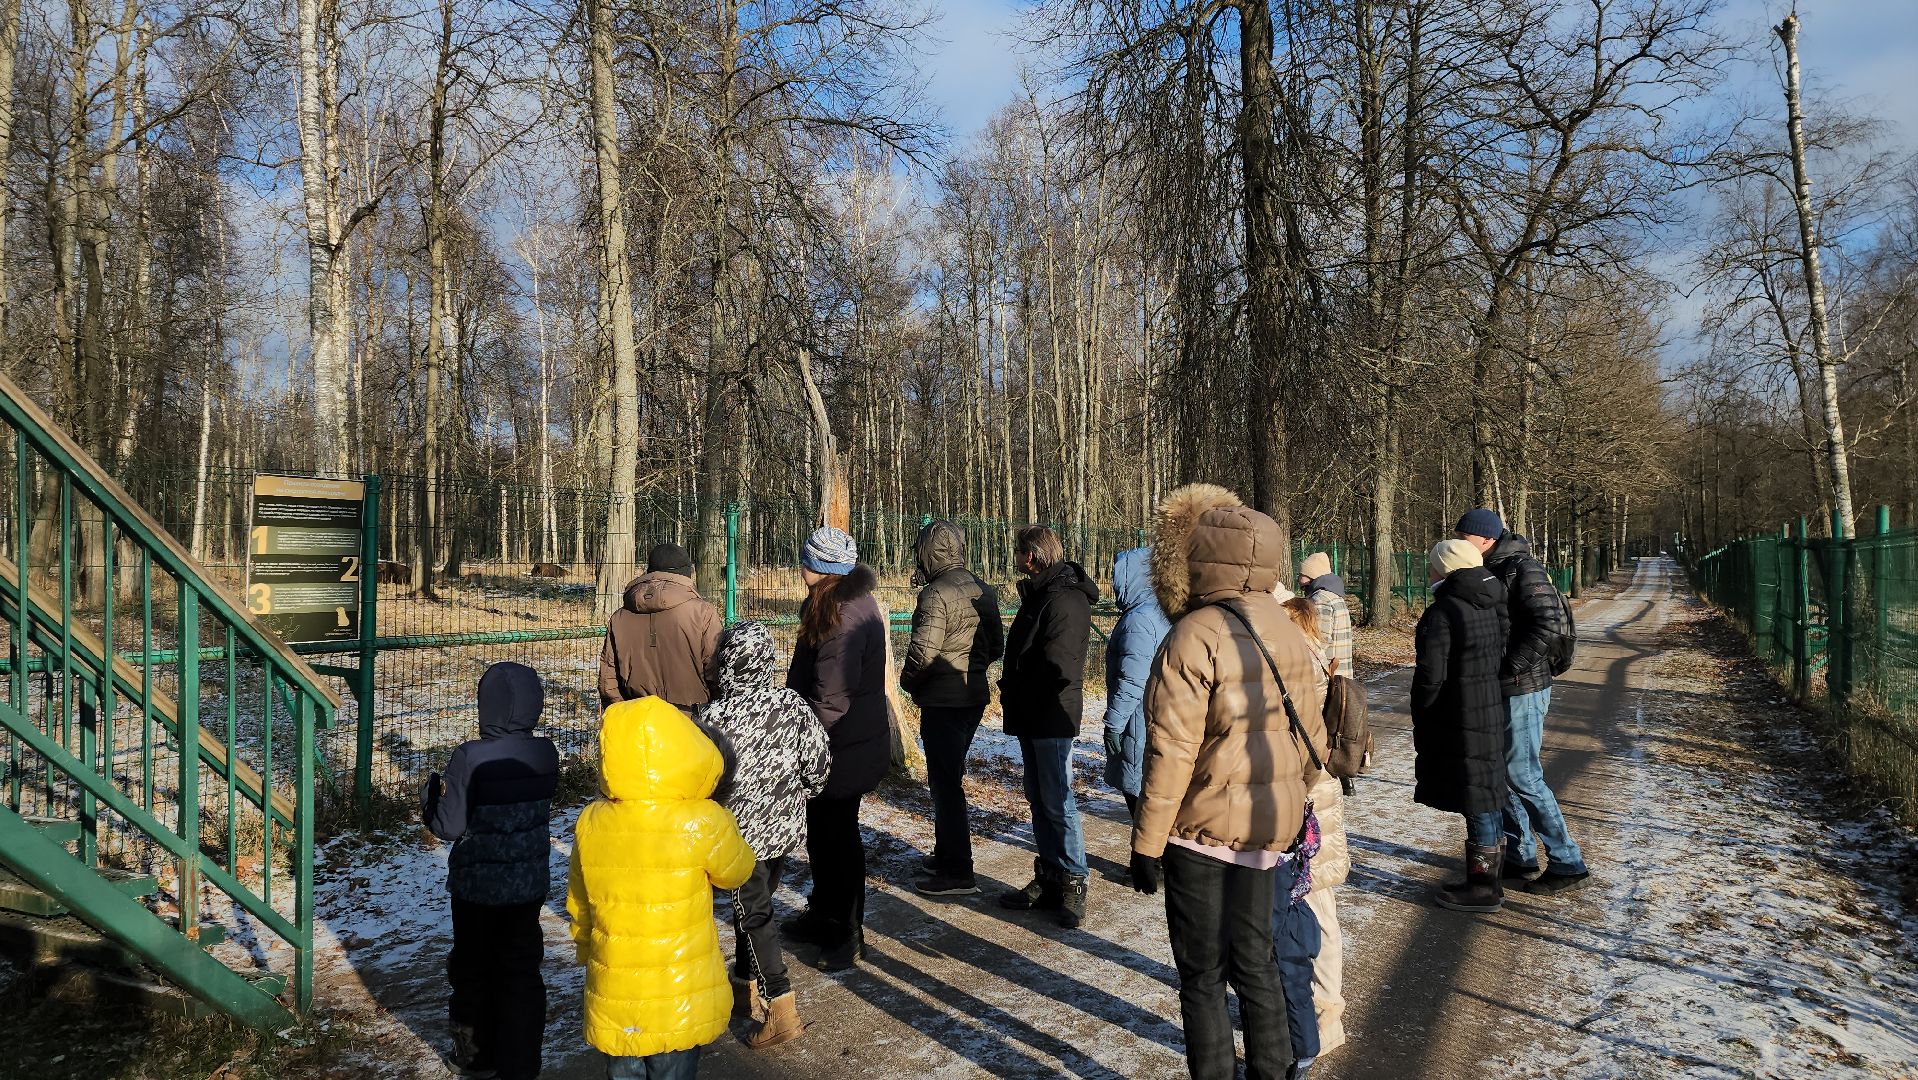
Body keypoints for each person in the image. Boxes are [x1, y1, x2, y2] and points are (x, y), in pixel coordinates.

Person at [1129, 484, 1328, 1080]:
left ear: (1200, 556)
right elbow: (1311, 741)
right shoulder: (1291, 626)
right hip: (1270, 833)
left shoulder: (1195, 633)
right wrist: (1289, 806)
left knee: (1202, 975)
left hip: (1202, 837)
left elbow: (1171, 752)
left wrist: (1145, 843)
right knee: (1259, 964)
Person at [567, 695, 755, 1079]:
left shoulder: (592, 822)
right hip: (679, 993)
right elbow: (737, 872)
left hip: (615, 986)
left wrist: (588, 949)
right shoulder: (703, 819)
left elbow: (580, 902)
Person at [422, 661, 559, 1080]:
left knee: (473, 968)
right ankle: (521, 1064)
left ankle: (477, 1056)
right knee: (521, 969)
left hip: (476, 889)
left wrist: (430, 795)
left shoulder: (470, 757)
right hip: (527, 884)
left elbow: (449, 826)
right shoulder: (546, 752)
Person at [699, 622, 832, 1049]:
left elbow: (701, 781)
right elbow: (819, 765)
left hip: (737, 835)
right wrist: (797, 795)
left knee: (754, 914)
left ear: (726, 663)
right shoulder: (791, 704)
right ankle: (745, 985)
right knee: (755, 906)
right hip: (781, 829)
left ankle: (781, 1008)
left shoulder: (712, 716)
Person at [1455, 508, 1591, 895]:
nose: (1458, 542)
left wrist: (1509, 665)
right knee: (1503, 773)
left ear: (1484, 538)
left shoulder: (1521, 568)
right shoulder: (1492, 565)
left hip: (1524, 686)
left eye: (1463, 536)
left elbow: (1546, 622)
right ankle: (1520, 855)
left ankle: (1567, 862)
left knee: (1523, 774)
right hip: (1505, 685)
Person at [782, 527, 890, 970]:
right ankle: (824, 913)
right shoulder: (834, 603)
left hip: (843, 746)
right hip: (838, 741)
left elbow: (831, 700)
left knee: (839, 836)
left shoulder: (843, 616)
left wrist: (795, 737)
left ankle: (848, 930)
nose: (800, 565)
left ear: (820, 568)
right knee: (823, 832)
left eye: (806, 559)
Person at [997, 524, 1099, 929]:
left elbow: (1057, 664)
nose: (1017, 559)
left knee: (1058, 799)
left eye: (1020, 552)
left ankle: (1074, 880)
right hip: (1032, 711)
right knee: (1039, 797)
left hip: (1051, 711)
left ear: (1032, 556)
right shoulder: (1041, 594)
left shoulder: (1065, 599)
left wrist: (1019, 685)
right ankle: (1051, 875)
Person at [899, 519, 1005, 896]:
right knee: (948, 778)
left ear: (929, 552)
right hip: (973, 697)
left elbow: (922, 654)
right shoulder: (983, 589)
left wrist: (907, 683)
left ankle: (959, 870)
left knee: (946, 785)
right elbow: (996, 647)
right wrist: (973, 667)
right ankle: (947, 853)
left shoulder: (935, 594)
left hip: (944, 700)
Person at [1411, 538, 1512, 913]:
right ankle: (1489, 880)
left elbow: (1430, 674)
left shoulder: (1444, 612)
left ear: (1447, 569)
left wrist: (1423, 708)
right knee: (1486, 791)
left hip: (1458, 715)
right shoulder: (1492, 602)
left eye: (1434, 565)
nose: (1430, 571)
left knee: (1477, 799)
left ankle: (1484, 888)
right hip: (1487, 707)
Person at [1293, 552, 1353, 1058]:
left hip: (1309, 800)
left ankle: (1324, 1013)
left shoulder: (1302, 668)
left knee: (1314, 904)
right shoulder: (1315, 652)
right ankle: (1317, 1007)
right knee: (1314, 904)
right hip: (1316, 795)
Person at [598, 543, 723, 711]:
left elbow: (608, 682)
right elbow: (716, 672)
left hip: (639, 721)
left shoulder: (619, 618)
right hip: (691, 722)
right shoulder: (703, 613)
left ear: (649, 572)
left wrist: (624, 713)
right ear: (686, 573)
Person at [1103, 546, 1170, 823]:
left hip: (1137, 721)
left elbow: (1132, 679)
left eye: (1118, 575)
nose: (1114, 582)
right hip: (1156, 715)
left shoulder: (1139, 620)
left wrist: (1114, 724)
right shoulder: (1160, 611)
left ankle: (1149, 864)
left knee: (1140, 797)